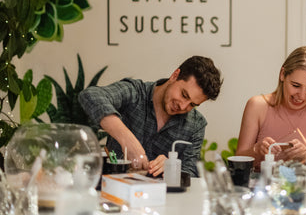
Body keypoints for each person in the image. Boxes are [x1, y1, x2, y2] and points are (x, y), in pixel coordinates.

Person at [78, 56, 223, 178]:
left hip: (162, 203)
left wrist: (171, 167)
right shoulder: (135, 93)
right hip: (114, 191)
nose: (183, 106)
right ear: (175, 75)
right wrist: (127, 139)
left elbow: (190, 174)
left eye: (192, 104)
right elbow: (90, 96)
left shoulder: (196, 125)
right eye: (184, 95)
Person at [236, 45, 306, 173]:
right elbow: (239, 161)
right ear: (282, 74)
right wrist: (257, 150)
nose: (301, 95)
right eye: (296, 85)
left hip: (304, 190)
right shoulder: (257, 106)